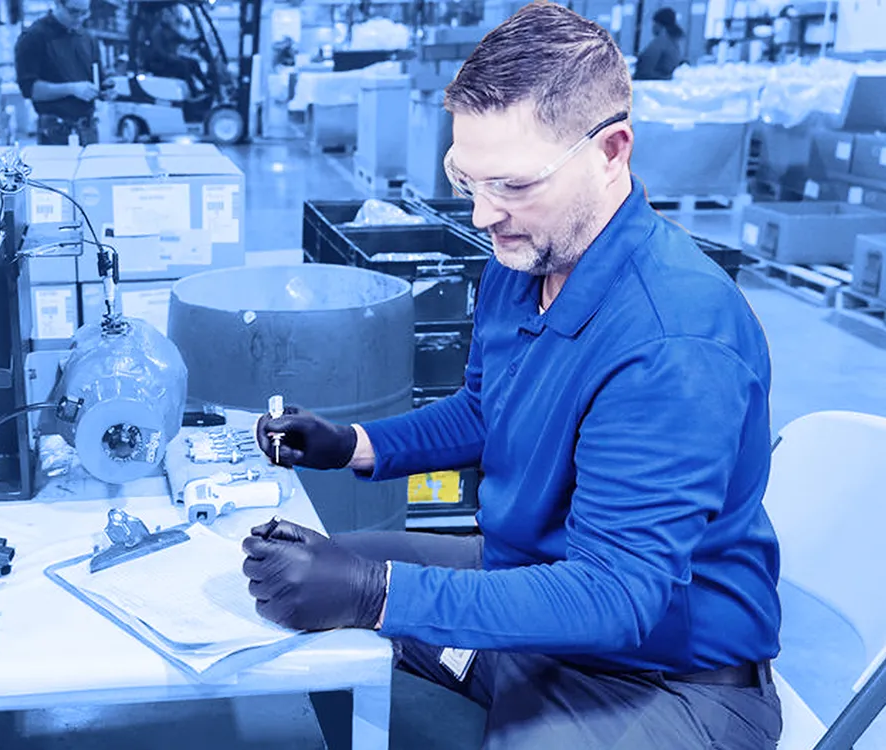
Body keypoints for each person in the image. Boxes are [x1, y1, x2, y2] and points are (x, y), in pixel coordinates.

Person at [242, 2, 783, 748]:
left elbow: (615, 595)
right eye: (468, 179)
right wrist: (351, 445)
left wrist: (379, 596)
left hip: (661, 677)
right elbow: (484, 410)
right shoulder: (526, 257)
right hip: (533, 592)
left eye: (515, 185)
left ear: (612, 151)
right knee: (323, 572)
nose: (485, 213)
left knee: (363, 588)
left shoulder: (675, 340)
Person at [14, 0, 101, 146]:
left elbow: (98, 79)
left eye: (84, 12)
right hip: (55, 131)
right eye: (73, 12)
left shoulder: (87, 38)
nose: (79, 18)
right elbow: (30, 89)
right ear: (58, 4)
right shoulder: (33, 37)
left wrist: (106, 89)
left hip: (88, 129)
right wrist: (72, 89)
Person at [634, 7, 686, 80]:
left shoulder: (660, 42)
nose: (653, 27)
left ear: (660, 24)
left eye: (654, 23)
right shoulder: (674, 41)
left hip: (651, 84)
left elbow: (644, 71)